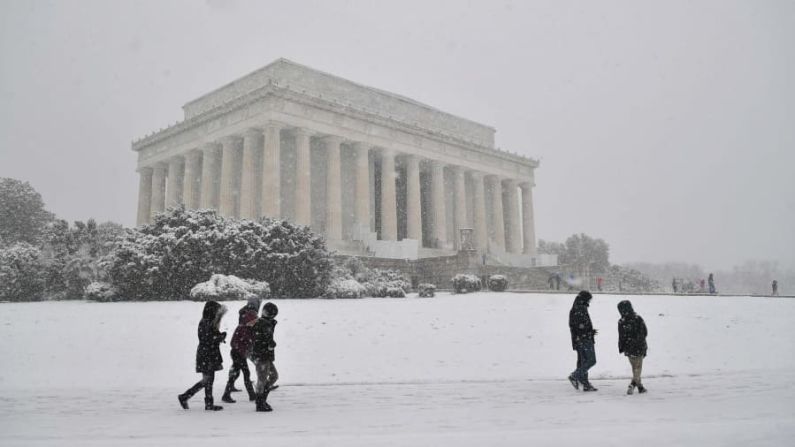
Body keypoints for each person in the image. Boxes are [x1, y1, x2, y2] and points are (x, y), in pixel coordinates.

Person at [178, 301, 228, 411]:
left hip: (208, 353)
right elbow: (207, 339)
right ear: (212, 311)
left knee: (209, 380)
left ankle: (207, 402)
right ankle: (186, 397)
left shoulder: (209, 321)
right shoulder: (206, 322)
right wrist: (219, 338)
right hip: (206, 354)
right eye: (216, 311)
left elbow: (210, 337)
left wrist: (220, 336)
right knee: (207, 380)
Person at [221, 307, 258, 403]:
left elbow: (252, 342)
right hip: (237, 354)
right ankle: (252, 395)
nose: (254, 323)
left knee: (235, 374)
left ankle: (226, 394)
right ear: (248, 320)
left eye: (255, 321)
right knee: (246, 373)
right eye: (252, 321)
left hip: (241, 354)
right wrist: (242, 350)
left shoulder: (251, 329)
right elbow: (233, 343)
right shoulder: (241, 328)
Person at [251, 302, 279, 412]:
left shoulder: (264, 322)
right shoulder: (263, 323)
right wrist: (271, 344)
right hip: (262, 356)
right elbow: (264, 339)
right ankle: (260, 403)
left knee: (273, 376)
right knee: (262, 380)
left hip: (264, 355)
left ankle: (262, 400)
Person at [568, 290, 598, 391]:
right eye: (589, 299)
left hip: (580, 339)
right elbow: (579, 327)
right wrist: (589, 333)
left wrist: (589, 331)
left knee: (583, 361)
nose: (590, 301)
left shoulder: (577, 307)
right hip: (584, 339)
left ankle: (585, 383)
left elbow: (578, 326)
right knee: (591, 360)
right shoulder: (580, 308)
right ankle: (575, 376)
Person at [617, 300, 648, 395]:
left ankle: (640, 387)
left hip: (628, 348)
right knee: (637, 368)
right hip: (639, 347)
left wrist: (622, 347)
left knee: (635, 367)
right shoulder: (638, 318)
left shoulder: (621, 321)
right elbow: (645, 332)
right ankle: (633, 384)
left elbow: (621, 336)